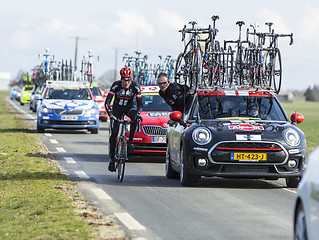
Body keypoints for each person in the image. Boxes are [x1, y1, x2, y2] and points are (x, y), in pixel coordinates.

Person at [104, 67, 143, 172]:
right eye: (125, 80)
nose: (127, 82)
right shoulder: (116, 85)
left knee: (135, 118)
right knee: (114, 133)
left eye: (129, 80)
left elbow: (140, 105)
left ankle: (130, 142)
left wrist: (138, 114)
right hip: (117, 108)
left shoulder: (135, 86)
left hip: (129, 108)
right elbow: (107, 102)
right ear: (121, 79)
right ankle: (112, 159)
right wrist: (111, 115)